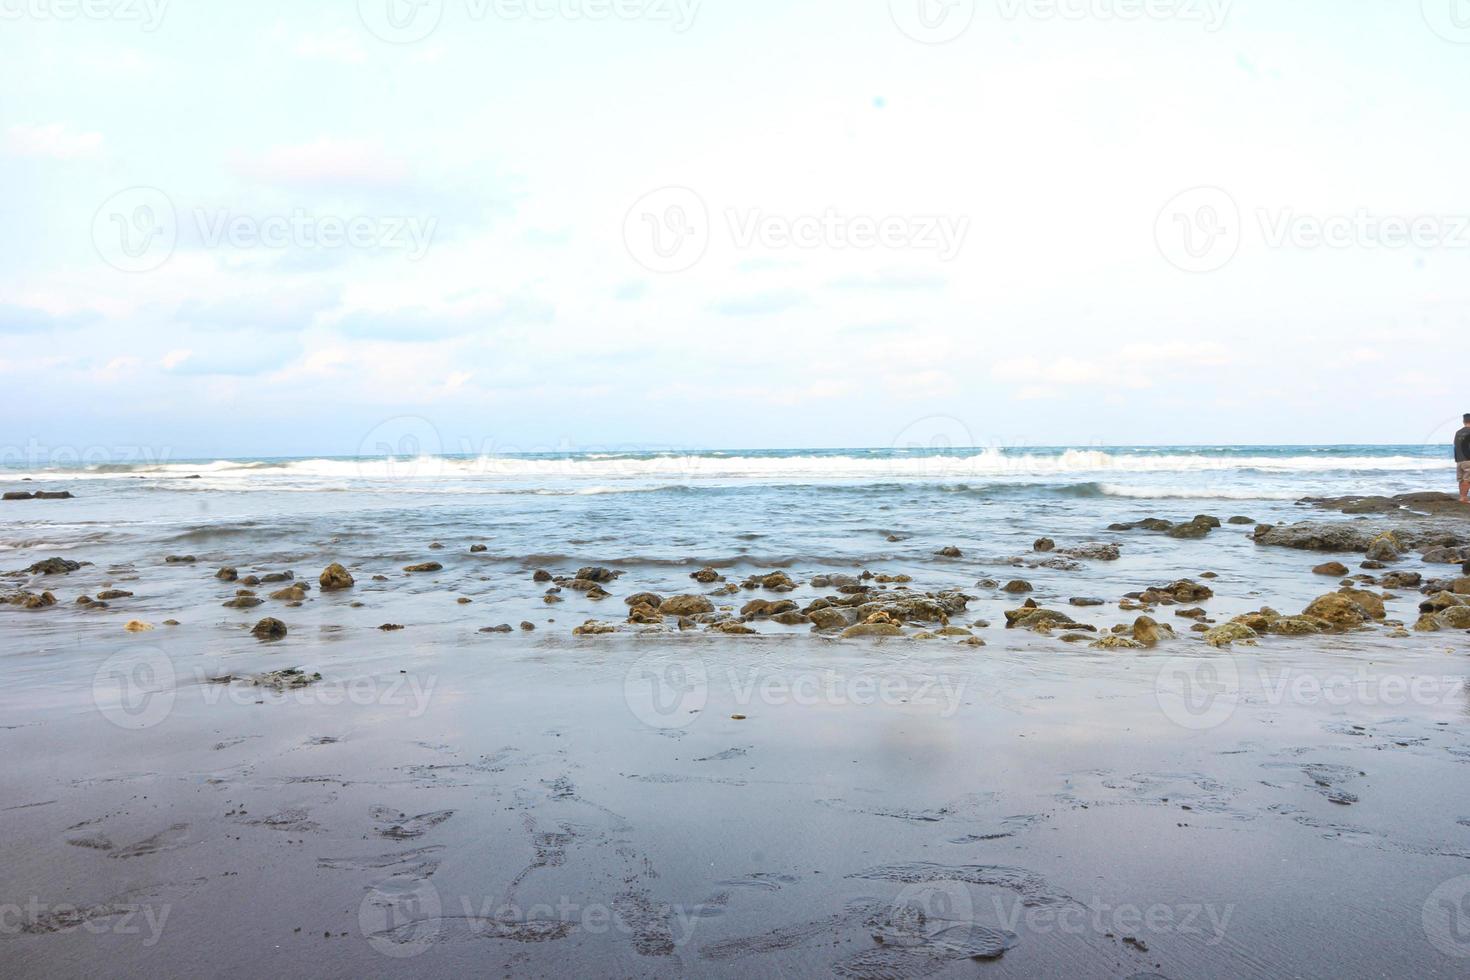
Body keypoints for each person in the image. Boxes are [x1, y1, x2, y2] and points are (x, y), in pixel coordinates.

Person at [1457, 415, 1470, 504]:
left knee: (1461, 479)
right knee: (1467, 479)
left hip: (1459, 460)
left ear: (1463, 421)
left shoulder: (1458, 432)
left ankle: (1462, 497)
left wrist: (1457, 459)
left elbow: (1455, 446)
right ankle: (1464, 498)